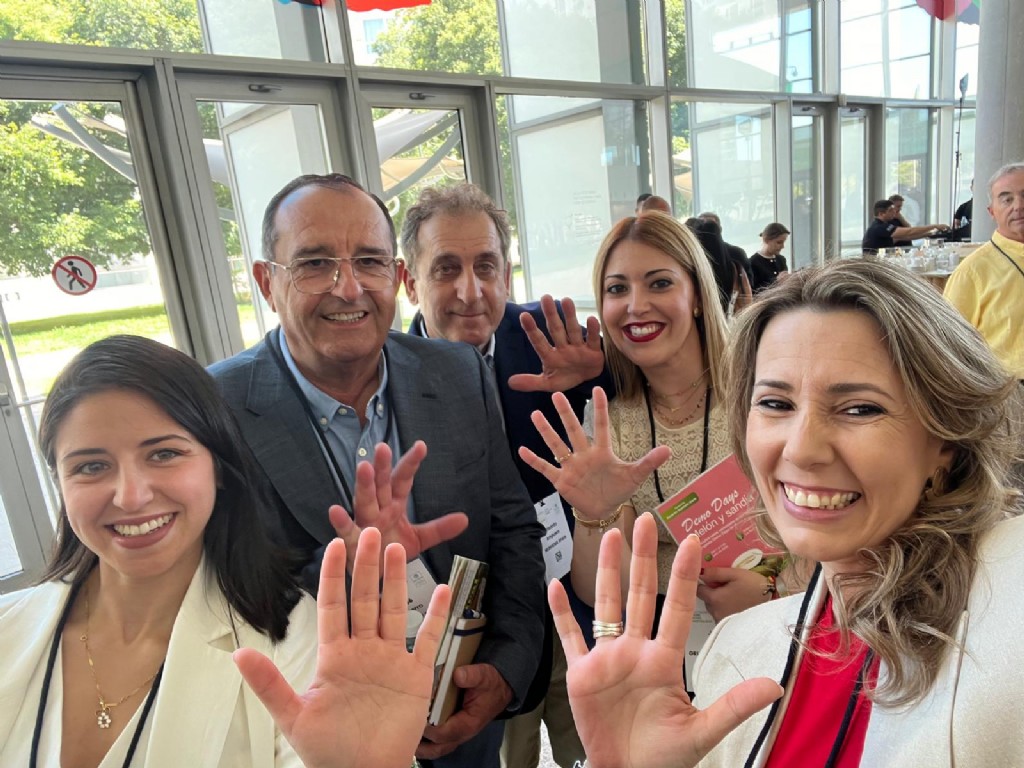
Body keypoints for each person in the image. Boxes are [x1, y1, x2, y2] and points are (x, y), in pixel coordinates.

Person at [550, 258, 1024, 767]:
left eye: (860, 408)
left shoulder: (1010, 615)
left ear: (946, 439)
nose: (801, 449)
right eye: (775, 403)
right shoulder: (737, 649)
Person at [208, 173, 546, 768]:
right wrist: (350, 567)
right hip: (322, 735)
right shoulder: (217, 409)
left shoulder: (459, 373)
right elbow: (226, 590)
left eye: (368, 261)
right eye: (314, 264)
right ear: (267, 282)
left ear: (396, 275)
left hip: (462, 711)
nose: (349, 288)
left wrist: (504, 669)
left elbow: (513, 531)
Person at [0, 335, 452, 768]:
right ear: (59, 482)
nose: (131, 497)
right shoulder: (9, 627)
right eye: (91, 466)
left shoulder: (295, 640)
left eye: (163, 455)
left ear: (217, 466)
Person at [400, 182, 609, 768]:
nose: (471, 291)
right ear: (409, 281)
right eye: (446, 268)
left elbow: (631, 409)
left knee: (588, 745)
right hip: (473, 630)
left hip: (572, 599)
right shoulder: (387, 379)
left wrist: (601, 375)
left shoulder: (550, 342)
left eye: (486, 267)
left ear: (508, 274)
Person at [518, 212, 780, 638]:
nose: (636, 305)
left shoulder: (761, 390)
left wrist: (775, 591)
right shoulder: (610, 421)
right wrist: (596, 515)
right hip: (665, 644)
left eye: (659, 283)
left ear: (697, 296)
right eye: (617, 289)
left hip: (783, 631)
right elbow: (605, 596)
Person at [944, 161, 1024, 380]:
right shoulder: (972, 272)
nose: (1018, 206)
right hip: (1009, 388)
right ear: (992, 212)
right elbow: (948, 345)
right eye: (1007, 199)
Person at [862, 199, 949, 254]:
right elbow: (909, 231)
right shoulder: (879, 227)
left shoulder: (885, 225)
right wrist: (934, 226)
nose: (894, 212)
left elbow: (904, 237)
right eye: (890, 210)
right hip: (874, 263)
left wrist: (929, 234)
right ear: (881, 214)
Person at [749, 222, 790, 293]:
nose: (783, 246)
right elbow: (753, 291)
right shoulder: (752, 263)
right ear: (766, 240)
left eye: (784, 242)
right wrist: (777, 281)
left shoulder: (781, 260)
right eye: (779, 242)